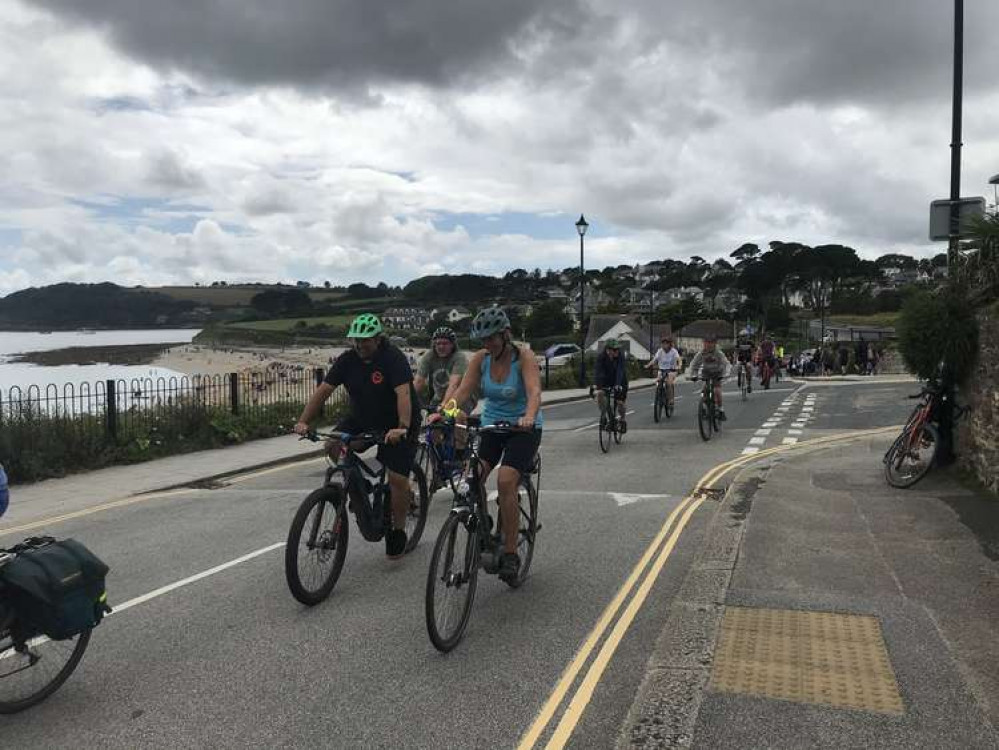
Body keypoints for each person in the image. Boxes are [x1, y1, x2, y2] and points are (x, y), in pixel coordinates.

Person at [294, 313, 420, 560]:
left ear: (377, 338)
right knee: (332, 444)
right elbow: (324, 390)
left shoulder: (392, 358)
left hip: (398, 421)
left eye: (366, 340)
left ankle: (398, 530)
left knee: (396, 478)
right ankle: (359, 490)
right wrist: (303, 421)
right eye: (356, 340)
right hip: (362, 417)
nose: (360, 345)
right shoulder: (348, 360)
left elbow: (404, 394)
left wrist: (402, 427)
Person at [441, 306, 542, 584]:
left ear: (505, 335)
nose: (488, 344)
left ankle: (510, 553)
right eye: (483, 339)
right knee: (472, 477)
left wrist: (530, 416)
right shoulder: (481, 359)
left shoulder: (524, 357)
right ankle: (485, 525)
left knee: (507, 480)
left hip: (523, 428)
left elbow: (534, 391)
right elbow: (463, 392)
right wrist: (444, 413)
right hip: (492, 426)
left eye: (492, 338)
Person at [414, 326, 475, 413]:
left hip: (460, 399)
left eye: (445, 343)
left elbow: (454, 384)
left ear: (452, 345)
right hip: (438, 398)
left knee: (451, 420)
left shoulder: (459, 357)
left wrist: (443, 405)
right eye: (438, 343)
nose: (441, 347)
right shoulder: (429, 356)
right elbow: (418, 381)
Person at [686, 334, 730, 420]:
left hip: (717, 373)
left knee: (717, 390)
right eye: (706, 343)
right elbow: (694, 364)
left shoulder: (718, 353)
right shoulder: (701, 353)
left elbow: (726, 364)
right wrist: (692, 375)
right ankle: (704, 406)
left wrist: (726, 373)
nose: (708, 345)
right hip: (706, 373)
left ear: (715, 344)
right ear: (704, 343)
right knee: (704, 391)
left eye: (711, 343)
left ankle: (721, 409)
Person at [594, 339, 629, 432]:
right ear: (608, 350)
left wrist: (617, 384)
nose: (617, 351)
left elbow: (620, 371)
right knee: (599, 394)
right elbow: (598, 372)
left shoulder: (620, 356)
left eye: (618, 349)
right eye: (614, 350)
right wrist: (599, 386)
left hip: (620, 381)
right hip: (606, 380)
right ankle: (604, 416)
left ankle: (622, 420)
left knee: (620, 402)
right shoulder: (601, 357)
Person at [645, 336, 681, 406]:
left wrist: (679, 366)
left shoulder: (673, 351)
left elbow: (679, 359)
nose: (664, 345)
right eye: (663, 343)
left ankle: (670, 399)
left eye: (666, 343)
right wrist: (648, 365)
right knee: (658, 381)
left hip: (671, 370)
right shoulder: (660, 351)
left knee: (669, 383)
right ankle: (659, 394)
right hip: (662, 370)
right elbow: (654, 360)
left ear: (669, 344)